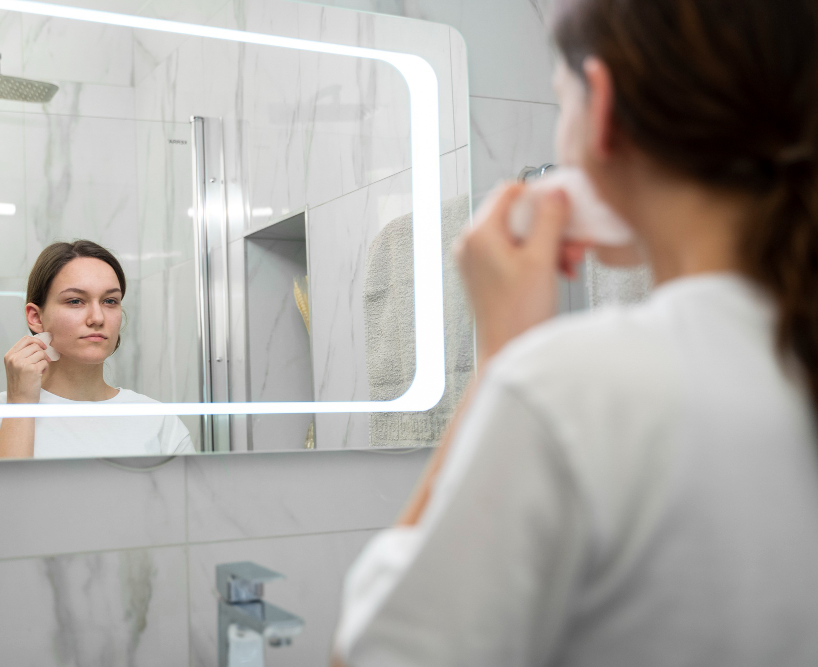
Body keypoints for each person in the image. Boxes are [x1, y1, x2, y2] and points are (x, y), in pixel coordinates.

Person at [333, 0, 818, 664]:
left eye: (562, 101)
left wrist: (501, 356)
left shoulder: (568, 388)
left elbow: (373, 654)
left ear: (605, 112)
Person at [0, 240, 195, 460]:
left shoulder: (157, 420)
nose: (97, 317)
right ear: (35, 317)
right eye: (75, 301)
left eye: (110, 301)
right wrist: (21, 405)